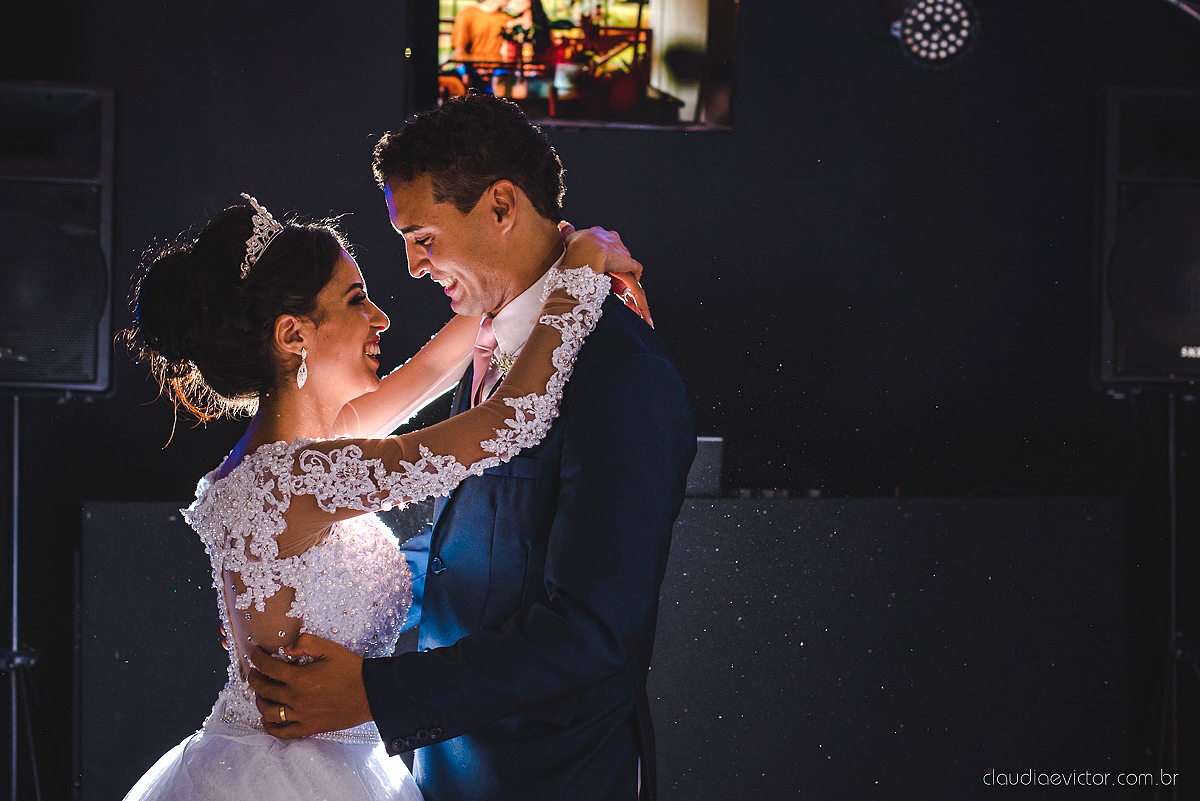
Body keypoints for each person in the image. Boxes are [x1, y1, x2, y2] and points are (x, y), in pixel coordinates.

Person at [119, 192, 644, 800]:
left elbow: (438, 364)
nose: (382, 318)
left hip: (337, 762)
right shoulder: (291, 480)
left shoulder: (310, 454)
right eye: (355, 299)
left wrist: (544, 261)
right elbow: (509, 421)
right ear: (293, 334)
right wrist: (577, 271)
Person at [248, 94, 696, 801]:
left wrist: (379, 693)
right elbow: (472, 548)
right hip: (448, 772)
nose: (413, 267)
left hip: (551, 777)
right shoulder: (494, 343)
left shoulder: (622, 372)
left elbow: (592, 630)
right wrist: (320, 607)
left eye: (423, 236)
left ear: (500, 206)